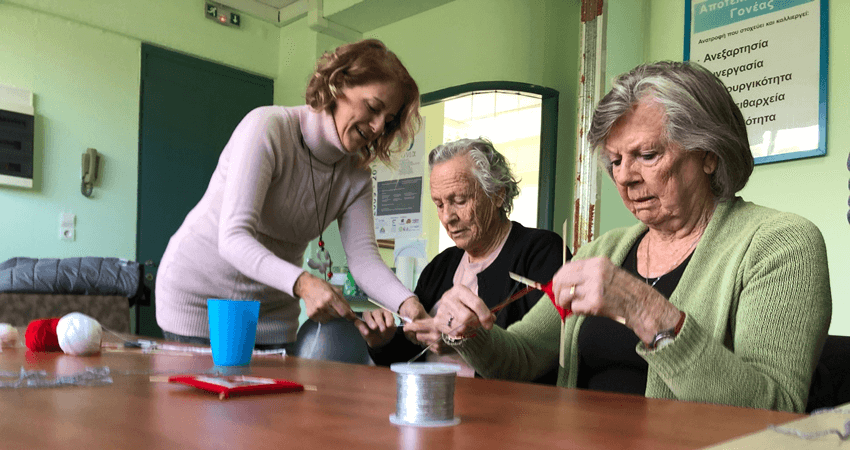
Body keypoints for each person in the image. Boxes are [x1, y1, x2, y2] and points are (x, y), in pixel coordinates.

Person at [430, 61, 831, 413]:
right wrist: (469, 332)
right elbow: (522, 357)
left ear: (709, 154)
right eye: (616, 161)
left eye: (647, 155)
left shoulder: (781, 244)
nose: (624, 176)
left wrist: (647, 312)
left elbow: (774, 410)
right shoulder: (603, 250)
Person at [155, 39, 429, 350]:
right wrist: (304, 283)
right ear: (338, 83)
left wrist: (408, 306)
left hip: (272, 315)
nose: (379, 126)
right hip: (201, 302)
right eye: (373, 107)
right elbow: (232, 237)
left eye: (389, 120)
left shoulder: (356, 174)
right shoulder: (268, 128)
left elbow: (364, 260)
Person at [356, 138, 568, 382]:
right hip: (432, 402)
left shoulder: (542, 253)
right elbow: (410, 354)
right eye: (439, 204)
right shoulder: (440, 266)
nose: (447, 217)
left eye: (459, 201)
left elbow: (542, 358)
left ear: (498, 195)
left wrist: (459, 341)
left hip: (504, 411)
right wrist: (382, 341)